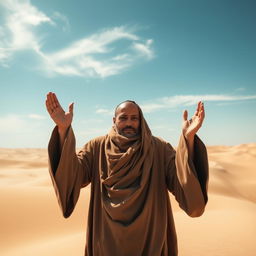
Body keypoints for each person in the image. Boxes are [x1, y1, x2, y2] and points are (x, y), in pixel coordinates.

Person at [46, 92, 208, 256]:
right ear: (114, 120)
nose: (129, 123)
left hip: (151, 243)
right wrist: (63, 130)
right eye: (123, 118)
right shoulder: (97, 147)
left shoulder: (158, 148)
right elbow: (73, 175)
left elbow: (181, 180)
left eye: (134, 118)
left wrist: (188, 139)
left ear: (141, 120)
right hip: (105, 242)